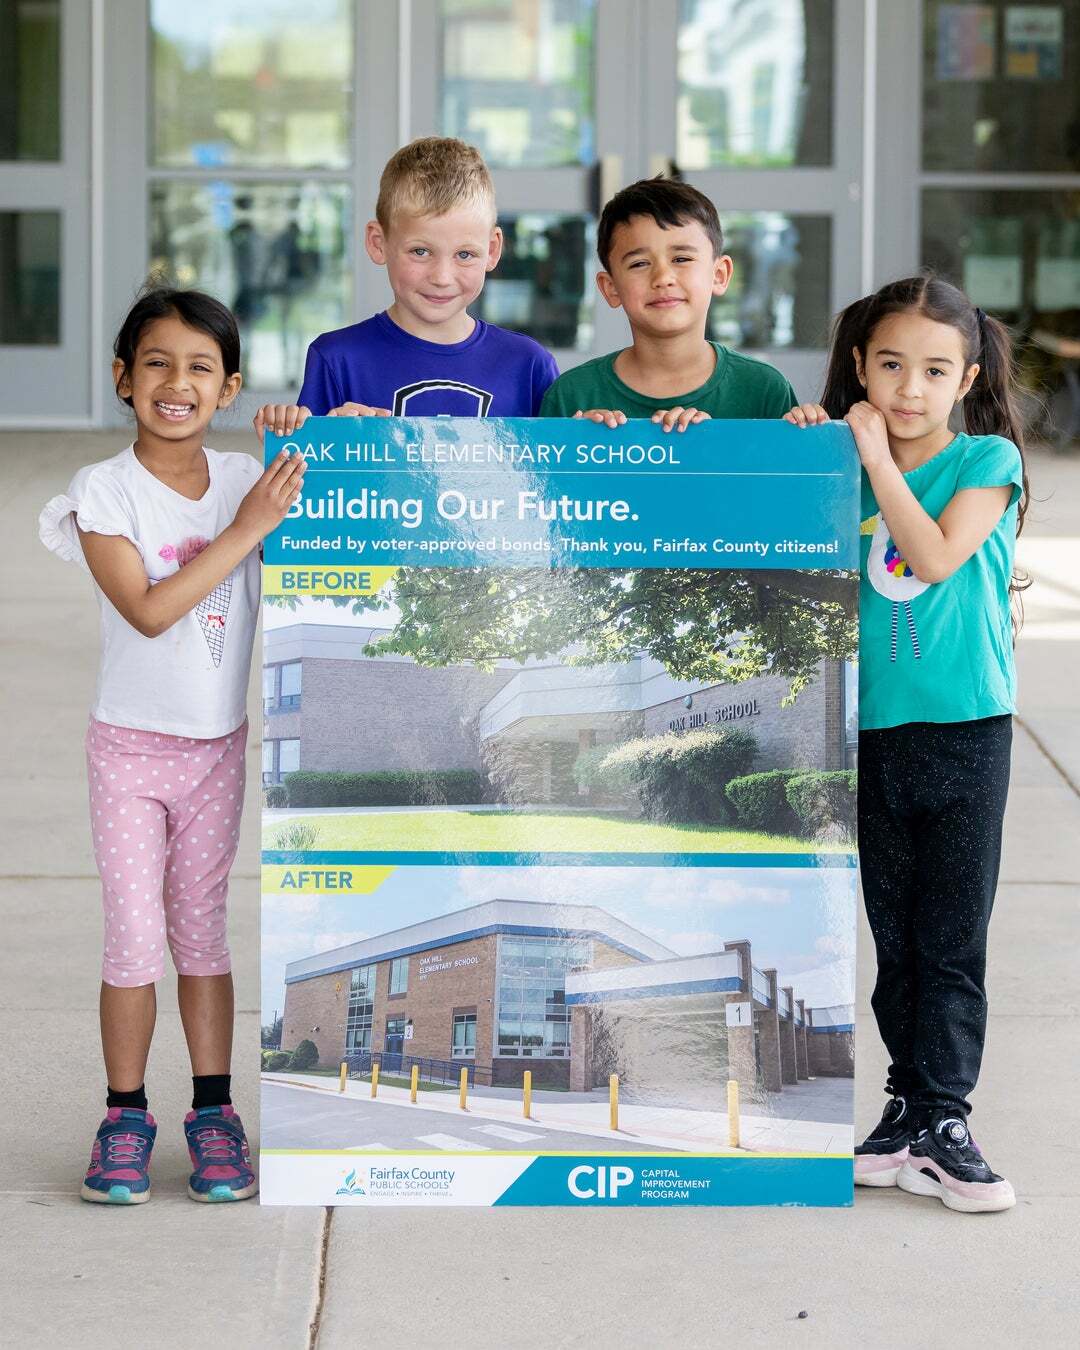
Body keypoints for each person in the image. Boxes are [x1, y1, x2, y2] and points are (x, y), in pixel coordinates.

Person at [39, 288, 306, 1204]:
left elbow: (345, 478)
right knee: (133, 938)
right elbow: (149, 611)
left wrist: (300, 427)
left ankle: (213, 1113)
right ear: (123, 377)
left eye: (201, 367)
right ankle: (123, 1116)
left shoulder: (246, 478)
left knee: (203, 937)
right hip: (129, 750)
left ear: (228, 386)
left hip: (215, 750)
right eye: (156, 363)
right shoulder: (104, 494)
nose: (177, 383)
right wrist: (245, 533)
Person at [784, 273, 1028, 1213]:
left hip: (966, 732)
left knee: (952, 939)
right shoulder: (836, 463)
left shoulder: (986, 461)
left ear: (966, 378)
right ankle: (903, 1115)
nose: (909, 388)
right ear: (859, 366)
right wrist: (812, 453)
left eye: (933, 369)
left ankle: (947, 1116)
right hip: (870, 737)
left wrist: (874, 458)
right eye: (890, 366)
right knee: (897, 942)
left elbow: (930, 556)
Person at [253, 136, 559, 441]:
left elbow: (562, 481)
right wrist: (306, 437)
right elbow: (310, 481)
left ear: (492, 250)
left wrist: (599, 436)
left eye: (464, 255)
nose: (442, 277)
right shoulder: (337, 359)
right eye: (420, 252)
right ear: (378, 243)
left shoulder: (529, 366)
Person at [539, 176, 797, 433]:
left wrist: (715, 447)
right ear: (611, 287)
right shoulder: (572, 397)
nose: (662, 278)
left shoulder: (764, 390)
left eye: (682, 258)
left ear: (719, 275)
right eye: (639, 263)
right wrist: (581, 447)